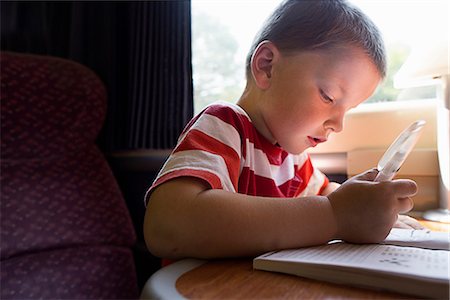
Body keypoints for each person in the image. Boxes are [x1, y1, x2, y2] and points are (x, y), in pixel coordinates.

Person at [143, 0, 423, 260]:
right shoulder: (225, 126)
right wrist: (334, 216)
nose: (338, 124)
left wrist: (366, 205)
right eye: (328, 97)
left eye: (347, 111)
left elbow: (328, 194)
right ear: (267, 67)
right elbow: (167, 224)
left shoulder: (294, 160)